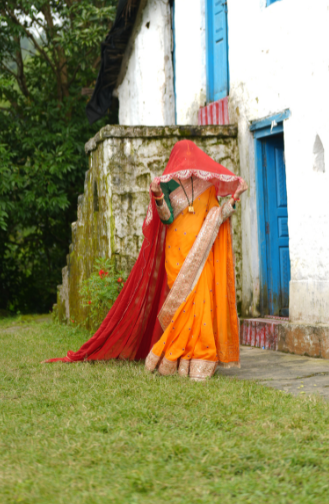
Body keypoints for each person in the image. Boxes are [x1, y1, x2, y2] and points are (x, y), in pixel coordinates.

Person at [45, 140, 247, 382]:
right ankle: (174, 355)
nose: (187, 162)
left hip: (200, 254)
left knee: (200, 302)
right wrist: (159, 196)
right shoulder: (167, 183)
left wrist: (233, 199)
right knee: (182, 306)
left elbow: (217, 216)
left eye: (190, 158)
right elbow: (166, 218)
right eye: (182, 158)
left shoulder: (207, 187)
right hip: (176, 253)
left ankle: (197, 358)